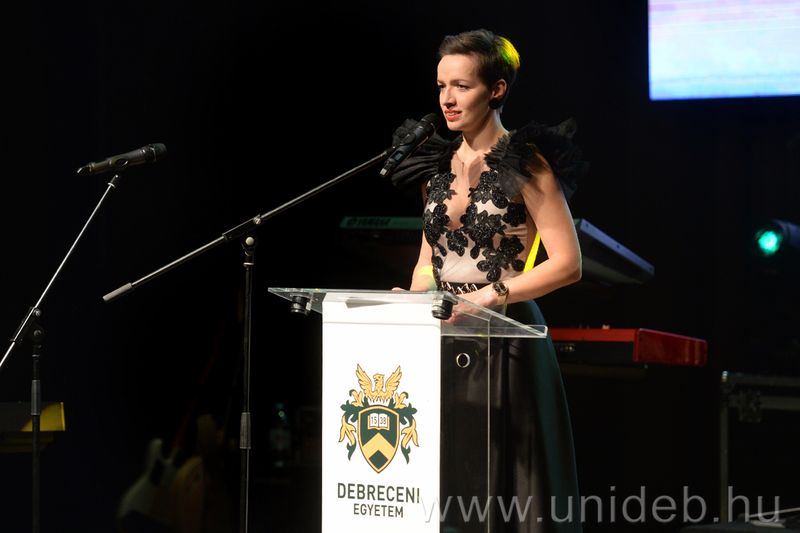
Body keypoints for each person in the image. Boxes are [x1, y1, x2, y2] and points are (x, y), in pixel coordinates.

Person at [389, 29, 587, 532]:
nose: (447, 99)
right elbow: (427, 260)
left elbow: (568, 263)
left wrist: (492, 294)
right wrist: (413, 305)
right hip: (444, 334)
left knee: (506, 490)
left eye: (462, 86)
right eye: (441, 86)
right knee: (446, 484)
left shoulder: (526, 163)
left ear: (496, 89)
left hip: (506, 337)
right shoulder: (437, 165)